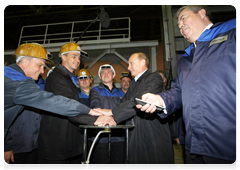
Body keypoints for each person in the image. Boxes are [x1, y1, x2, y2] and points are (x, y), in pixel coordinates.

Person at [136, 5, 238, 169]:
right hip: (194, 148)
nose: (180, 25)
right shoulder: (186, 58)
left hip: (229, 149)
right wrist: (160, 99)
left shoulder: (233, 32)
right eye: (178, 24)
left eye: (183, 18)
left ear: (202, 13)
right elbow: (179, 90)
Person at [4, 43, 109, 166]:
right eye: (40, 65)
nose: (42, 71)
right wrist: (90, 112)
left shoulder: (9, 76)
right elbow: (53, 101)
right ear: (25, 61)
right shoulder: (20, 82)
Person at [36, 42, 116, 169]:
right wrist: (95, 119)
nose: (77, 60)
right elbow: (68, 107)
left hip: (66, 143)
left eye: (79, 57)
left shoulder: (67, 78)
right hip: (55, 145)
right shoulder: (57, 78)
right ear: (63, 57)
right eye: (74, 56)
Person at [96, 53, 175, 169]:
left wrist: (112, 113)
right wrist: (106, 116)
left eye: (131, 63)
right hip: (135, 136)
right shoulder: (133, 84)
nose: (128, 67)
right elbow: (123, 104)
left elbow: (139, 101)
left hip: (153, 136)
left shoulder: (154, 78)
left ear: (143, 62)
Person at [89, 64, 125, 169]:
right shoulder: (95, 90)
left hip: (119, 136)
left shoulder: (121, 93)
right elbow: (96, 109)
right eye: (103, 73)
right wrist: (116, 115)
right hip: (101, 137)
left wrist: (114, 116)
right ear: (100, 77)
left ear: (113, 75)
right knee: (100, 165)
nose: (105, 74)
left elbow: (125, 111)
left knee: (119, 165)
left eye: (108, 72)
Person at [4, 76, 45, 169]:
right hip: (15, 148)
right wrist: (6, 146)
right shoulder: (15, 84)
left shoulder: (41, 84)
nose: (42, 70)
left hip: (34, 146)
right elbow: (5, 120)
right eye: (39, 66)